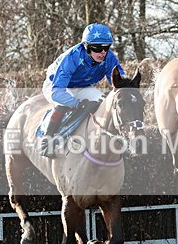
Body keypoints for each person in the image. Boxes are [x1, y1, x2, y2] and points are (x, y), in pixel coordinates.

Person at [39, 22, 126, 157]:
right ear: (86, 47)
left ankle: (113, 140)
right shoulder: (72, 57)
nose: (102, 52)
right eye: (97, 48)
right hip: (57, 86)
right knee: (63, 104)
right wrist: (79, 104)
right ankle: (47, 140)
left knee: (102, 102)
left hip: (82, 86)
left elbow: (121, 81)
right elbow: (57, 93)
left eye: (106, 47)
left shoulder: (109, 57)